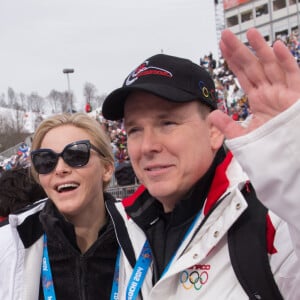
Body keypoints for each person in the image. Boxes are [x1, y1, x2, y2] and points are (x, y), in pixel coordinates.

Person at [101, 27, 300, 299]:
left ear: (214, 131)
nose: (147, 146)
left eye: (167, 123)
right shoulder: (129, 224)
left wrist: (294, 164)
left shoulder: (271, 216)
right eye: (135, 129)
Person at [0, 113, 118, 299]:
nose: (60, 168)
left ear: (107, 168)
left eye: (76, 155)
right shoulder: (10, 242)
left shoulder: (141, 234)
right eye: (45, 160)